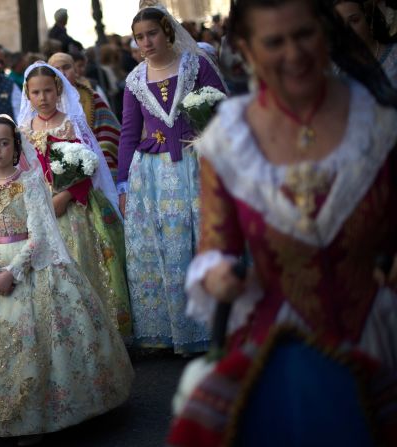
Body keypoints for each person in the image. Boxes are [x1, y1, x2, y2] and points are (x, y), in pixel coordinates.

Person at [169, 0, 397, 444]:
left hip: (376, 333)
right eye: (275, 42)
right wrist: (217, 274)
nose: (294, 54)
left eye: (304, 35)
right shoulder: (231, 139)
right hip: (278, 347)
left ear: (326, 33)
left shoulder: (379, 122)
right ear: (248, 52)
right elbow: (217, 245)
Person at [0, 115, 133, 445]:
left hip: (29, 264)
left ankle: (38, 414)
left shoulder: (31, 182)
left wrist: (13, 272)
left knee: (39, 341)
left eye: (4, 142)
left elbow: (40, 236)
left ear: (16, 146)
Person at [118, 4, 226, 352]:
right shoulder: (135, 80)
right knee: (169, 245)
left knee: (204, 238)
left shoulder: (196, 65)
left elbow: (223, 111)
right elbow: (128, 134)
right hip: (154, 173)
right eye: (139, 38)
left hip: (198, 164)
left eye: (151, 34)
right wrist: (122, 183)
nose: (146, 42)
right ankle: (177, 329)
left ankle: (219, 325)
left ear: (167, 31)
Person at [19, 62, 132, 336]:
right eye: (36, 92)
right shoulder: (23, 130)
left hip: (75, 207)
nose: (42, 98)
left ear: (58, 90)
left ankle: (98, 330)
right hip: (40, 206)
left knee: (82, 261)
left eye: (47, 90)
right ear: (28, 95)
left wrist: (67, 195)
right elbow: (21, 170)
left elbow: (88, 164)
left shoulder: (72, 123)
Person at [49, 52, 121, 182]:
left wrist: (96, 155)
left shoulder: (91, 96)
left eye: (66, 67)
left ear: (75, 70)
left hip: (94, 158)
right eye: (56, 69)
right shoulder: (45, 102)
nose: (62, 73)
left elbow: (108, 129)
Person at [334, 0, 397, 85]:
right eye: (340, 25)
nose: (348, 30)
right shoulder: (336, 70)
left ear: (368, 19)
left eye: (354, 21)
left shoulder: (394, 56)